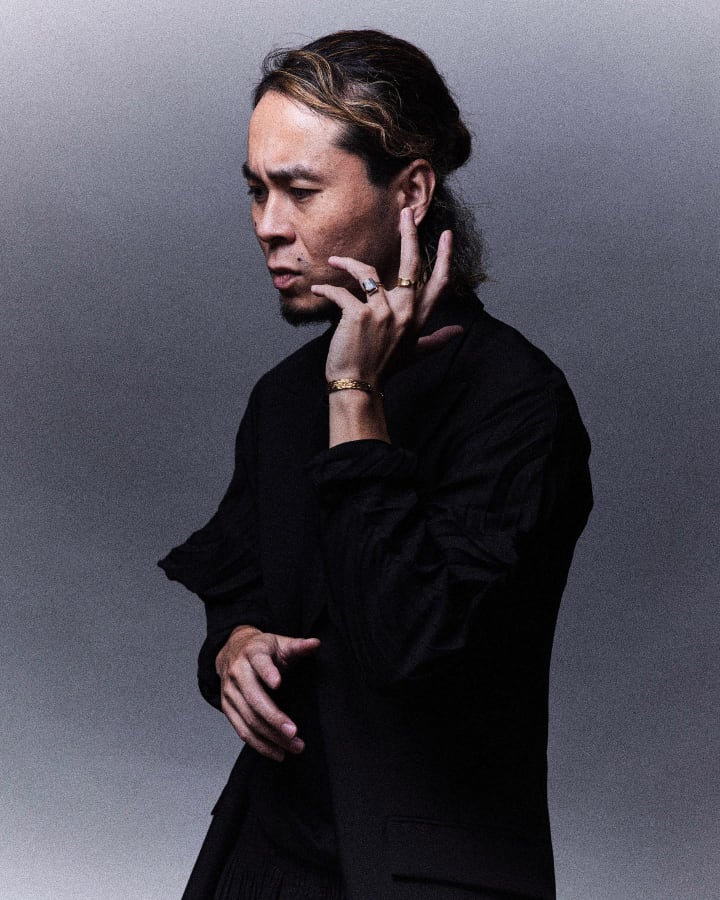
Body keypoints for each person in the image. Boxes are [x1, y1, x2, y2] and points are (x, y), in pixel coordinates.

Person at [159, 29, 592, 900]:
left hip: (430, 872)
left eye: (299, 190)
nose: (266, 226)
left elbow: (411, 647)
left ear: (413, 191)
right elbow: (242, 586)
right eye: (255, 191)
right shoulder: (284, 398)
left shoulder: (516, 400)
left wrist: (355, 397)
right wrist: (233, 650)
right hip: (263, 861)